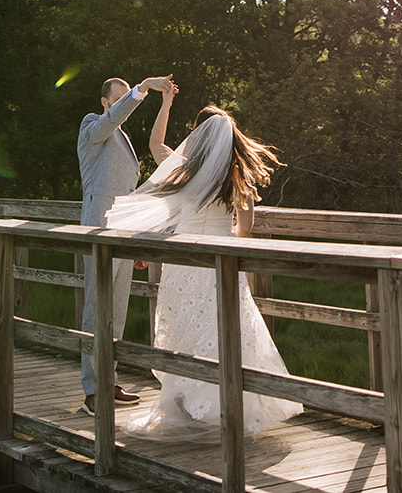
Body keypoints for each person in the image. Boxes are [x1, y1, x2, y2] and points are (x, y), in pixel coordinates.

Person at [105, 95, 303, 439]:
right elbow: (245, 229)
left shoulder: (181, 169)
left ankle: (186, 401)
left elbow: (154, 144)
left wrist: (165, 103)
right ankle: (223, 405)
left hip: (182, 263)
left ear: (196, 136)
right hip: (220, 261)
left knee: (185, 330)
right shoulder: (237, 177)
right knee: (226, 331)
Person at [78, 73, 176, 417]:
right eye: (117, 100)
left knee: (117, 311)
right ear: (106, 102)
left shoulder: (122, 137)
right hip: (100, 231)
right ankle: (92, 390)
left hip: (123, 232)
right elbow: (112, 120)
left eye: (126, 98)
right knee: (97, 308)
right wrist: (142, 89)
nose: (122, 105)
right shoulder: (93, 126)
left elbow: (129, 195)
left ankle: (109, 380)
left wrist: (137, 239)